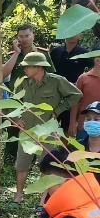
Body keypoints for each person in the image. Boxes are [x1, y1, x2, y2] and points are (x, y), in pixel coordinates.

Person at [9, 50, 80, 202]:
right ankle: (19, 195)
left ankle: (43, 200)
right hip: (27, 130)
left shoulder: (57, 81)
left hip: (48, 130)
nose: (25, 69)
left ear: (39, 67)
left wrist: (58, 110)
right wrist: (16, 118)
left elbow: (76, 94)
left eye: (28, 66)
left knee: (46, 165)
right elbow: (13, 101)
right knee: (21, 165)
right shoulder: (23, 83)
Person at [70, 50, 100, 139]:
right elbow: (75, 102)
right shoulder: (83, 78)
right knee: (83, 151)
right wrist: (72, 123)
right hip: (86, 125)